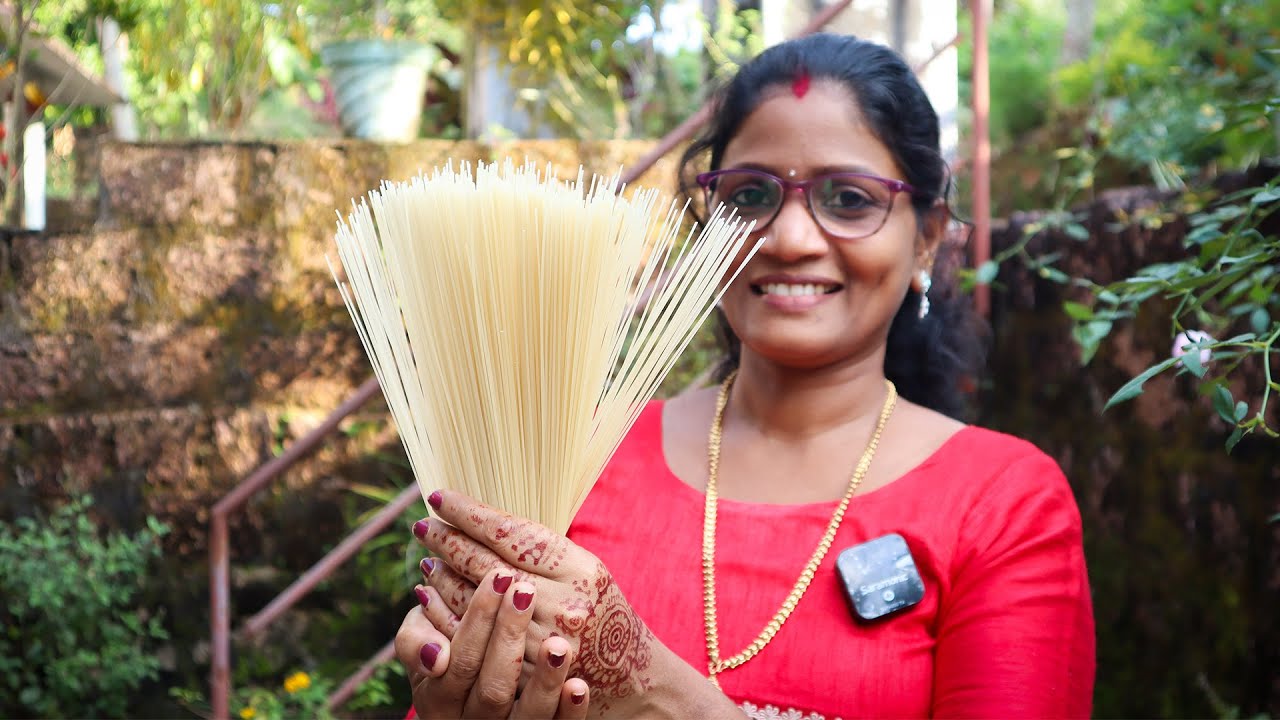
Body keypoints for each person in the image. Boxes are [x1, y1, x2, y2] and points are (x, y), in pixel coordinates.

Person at [394, 33, 1095, 719]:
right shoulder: (579, 451)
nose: (788, 239)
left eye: (849, 198)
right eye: (751, 196)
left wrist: (651, 690)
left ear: (929, 236)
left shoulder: (1003, 505)